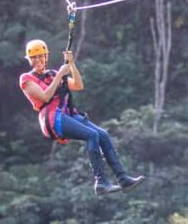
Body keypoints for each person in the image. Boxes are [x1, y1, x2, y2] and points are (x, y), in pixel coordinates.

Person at [19, 39, 145, 195]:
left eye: (40, 56)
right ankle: (101, 182)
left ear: (45, 56)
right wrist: (60, 74)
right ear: (29, 60)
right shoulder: (26, 79)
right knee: (91, 135)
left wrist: (71, 65)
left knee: (103, 135)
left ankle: (123, 178)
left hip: (67, 113)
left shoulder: (52, 74)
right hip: (51, 119)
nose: (37, 60)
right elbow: (45, 97)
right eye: (33, 58)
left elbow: (78, 85)